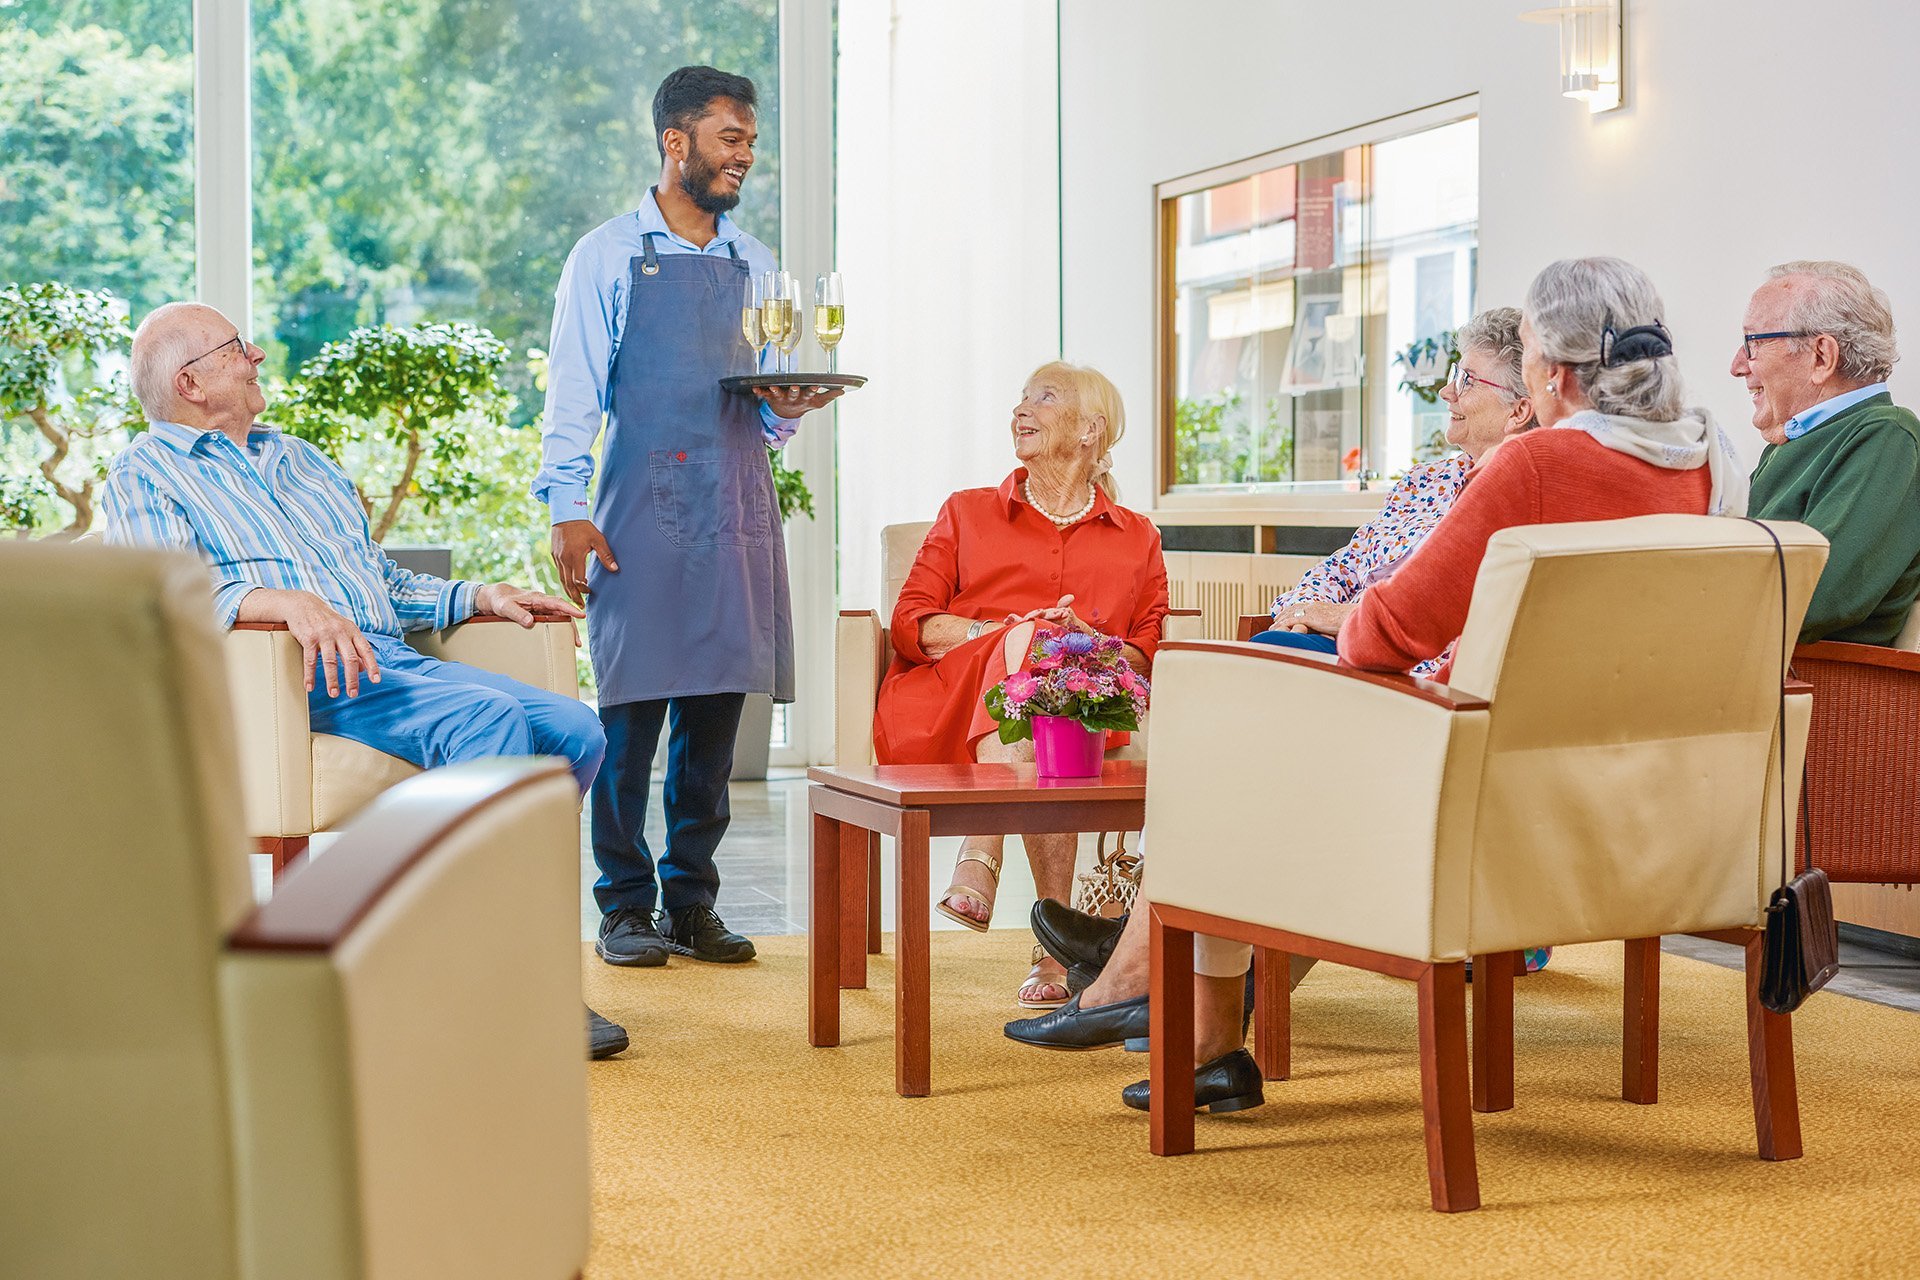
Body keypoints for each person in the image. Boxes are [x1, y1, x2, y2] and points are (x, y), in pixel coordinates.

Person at [1008, 257, 1745, 1114]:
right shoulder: (1708, 468)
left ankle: (1176, 1009)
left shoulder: (1532, 467)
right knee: (1253, 729)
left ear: (1551, 372)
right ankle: (1169, 996)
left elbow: (1394, 631)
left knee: (1228, 728)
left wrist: (1339, 623)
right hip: (1636, 800)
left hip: (1475, 792)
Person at [102, 302, 626, 1061]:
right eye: (233, 348)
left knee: (575, 729)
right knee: (485, 723)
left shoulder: (302, 459)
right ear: (191, 382)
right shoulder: (146, 469)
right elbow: (162, 593)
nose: (254, 355)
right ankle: (503, 983)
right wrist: (275, 601)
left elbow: (376, 579)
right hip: (290, 679)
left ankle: (460, 946)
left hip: (385, 659)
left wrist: (478, 597)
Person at [536, 66, 841, 971]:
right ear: (677, 142)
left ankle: (690, 900)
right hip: (637, 508)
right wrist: (566, 508)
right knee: (629, 713)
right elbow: (574, 393)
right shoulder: (605, 255)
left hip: (736, 502)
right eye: (730, 138)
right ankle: (624, 905)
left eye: (749, 139)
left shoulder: (756, 263)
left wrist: (791, 408)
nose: (746, 155)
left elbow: (766, 412)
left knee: (715, 712)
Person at [875, 362, 1170, 1007]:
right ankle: (1052, 946)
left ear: (1092, 430)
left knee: (1048, 665)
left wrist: (1072, 649)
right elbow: (913, 623)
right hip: (951, 698)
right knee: (1031, 643)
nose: (1021, 410)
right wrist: (1012, 633)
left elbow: (1144, 651)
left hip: (1081, 704)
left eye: (1044, 397)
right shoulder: (967, 512)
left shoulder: (1138, 537)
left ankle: (984, 865)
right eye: (1021, 399)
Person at [1733, 260, 1920, 643]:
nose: (1738, 366)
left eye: (1752, 343)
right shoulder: (1793, 440)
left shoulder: (1887, 436)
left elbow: (1817, 595)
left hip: (1823, 688)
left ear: (1821, 356)